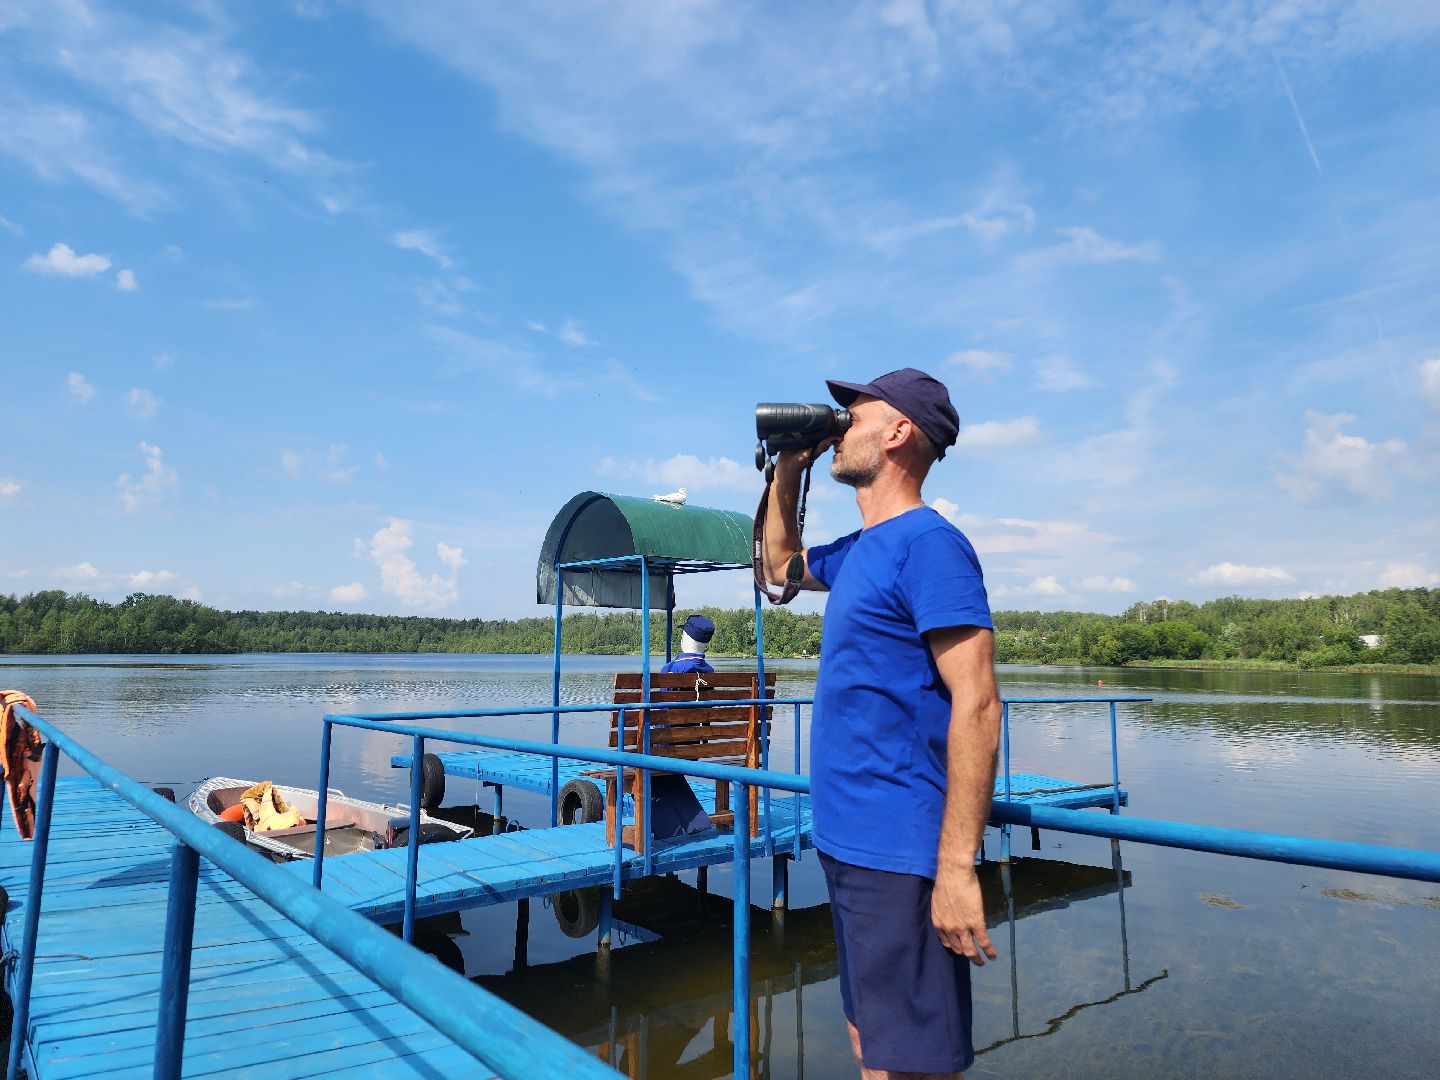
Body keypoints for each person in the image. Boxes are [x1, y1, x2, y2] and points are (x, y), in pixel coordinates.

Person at [761, 367, 1001, 1080]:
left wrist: (954, 868)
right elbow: (778, 566)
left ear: (898, 432)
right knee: (873, 1044)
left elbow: (978, 703)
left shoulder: (930, 545)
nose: (839, 427)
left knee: (913, 1065)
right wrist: (788, 471)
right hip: (847, 838)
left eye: (853, 415)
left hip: (899, 848)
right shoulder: (863, 549)